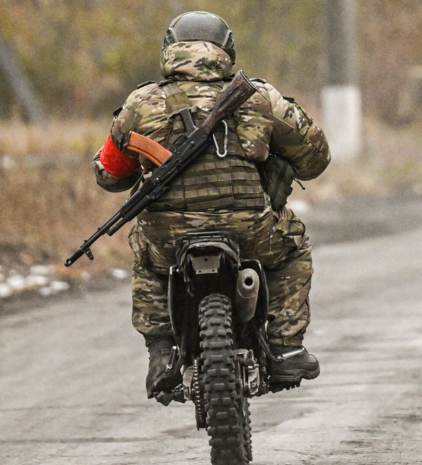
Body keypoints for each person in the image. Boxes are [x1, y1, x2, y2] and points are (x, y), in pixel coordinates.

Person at [92, 11, 330, 398]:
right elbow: (315, 158)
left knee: (147, 256)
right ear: (227, 50)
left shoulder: (141, 103)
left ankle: (161, 353)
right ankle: (286, 347)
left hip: (170, 236)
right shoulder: (259, 97)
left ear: (169, 49)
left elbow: (110, 177)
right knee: (293, 246)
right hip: (250, 231)